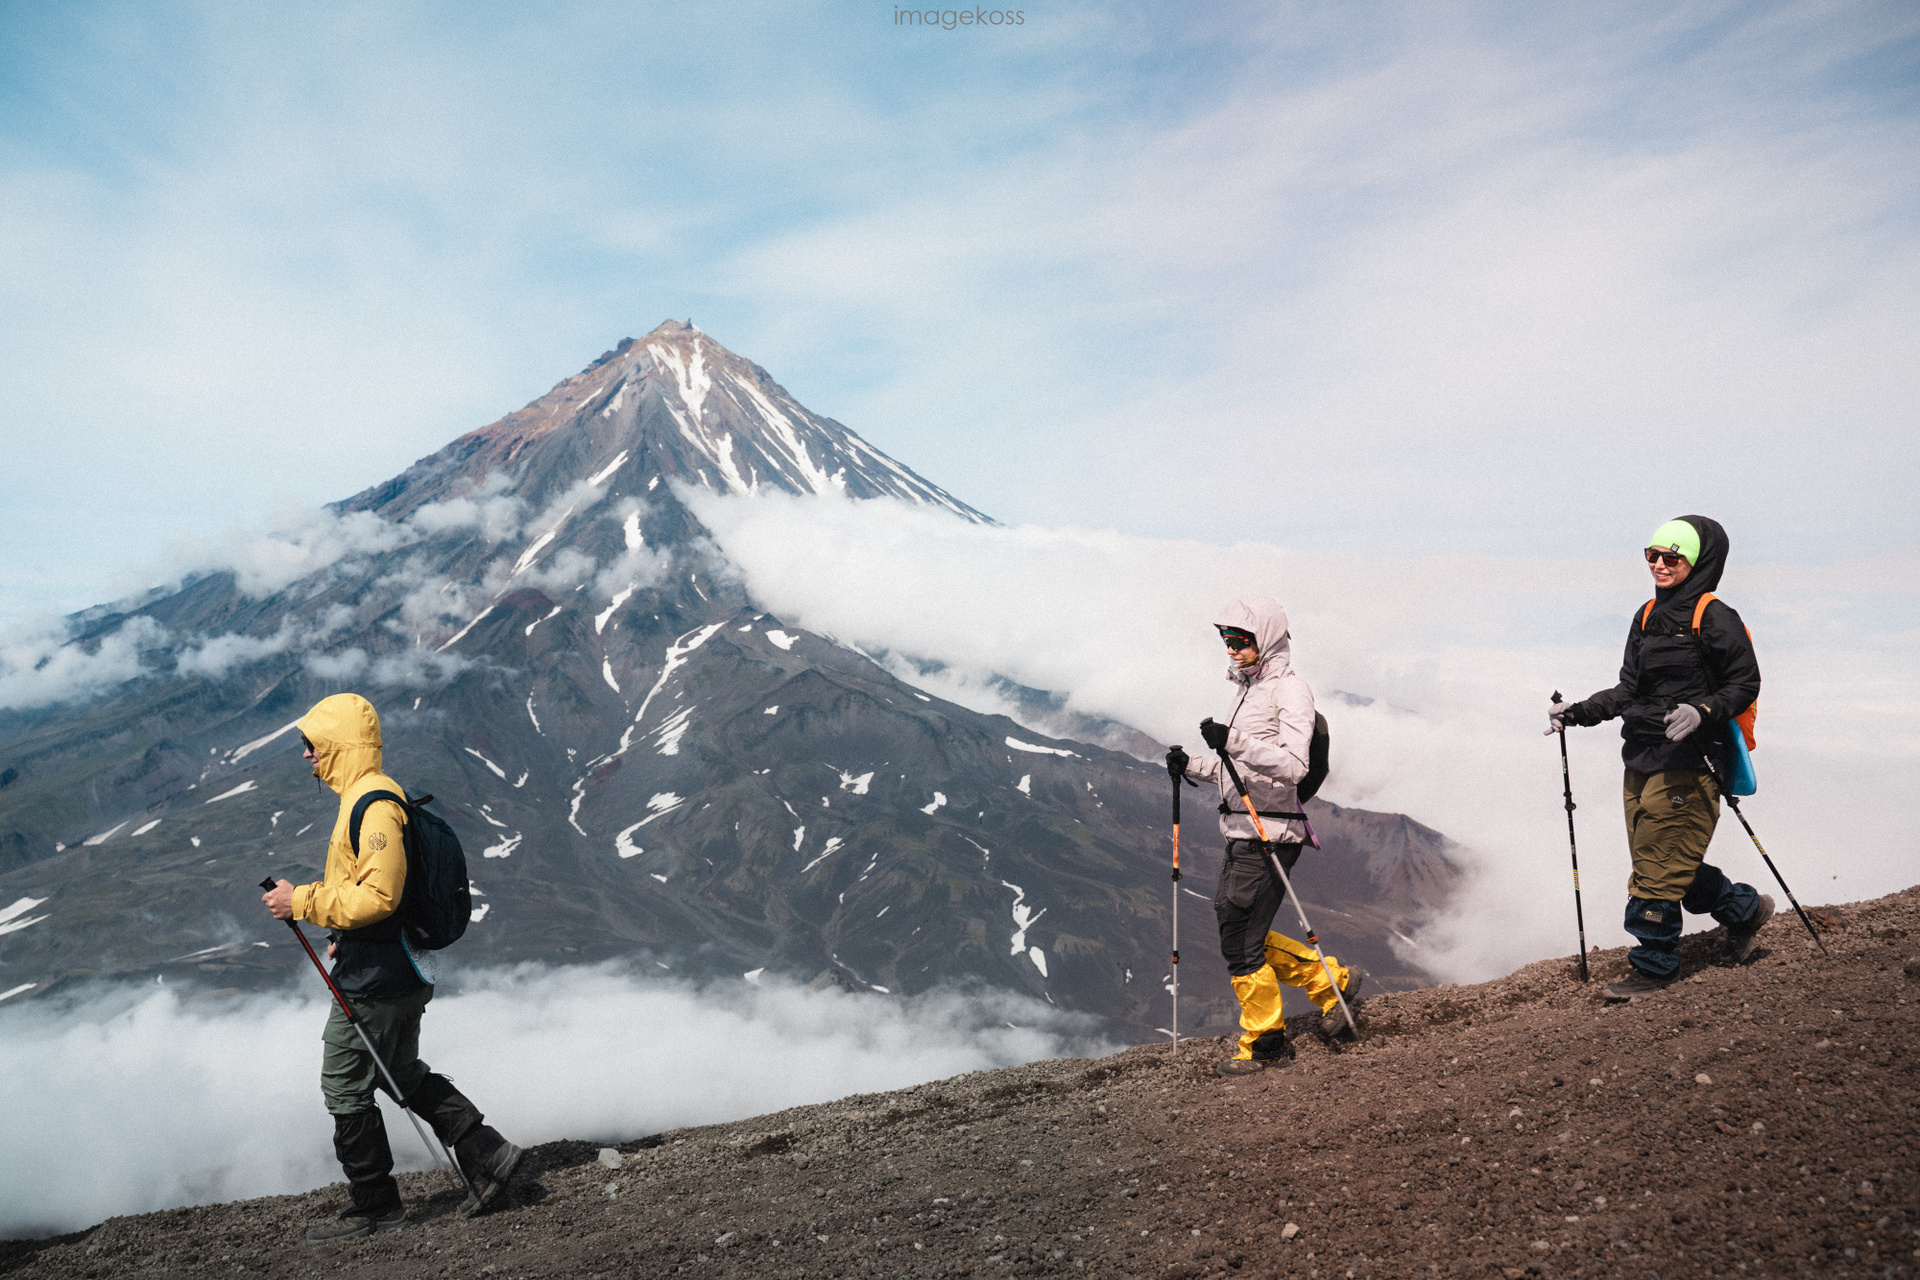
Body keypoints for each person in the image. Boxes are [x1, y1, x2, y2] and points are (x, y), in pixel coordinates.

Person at [261, 692, 522, 1243]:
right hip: (396, 966)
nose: (306, 754)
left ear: (337, 744)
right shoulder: (374, 794)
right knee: (398, 1069)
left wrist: (301, 900)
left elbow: (380, 896)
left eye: (312, 744)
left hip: (376, 980)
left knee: (344, 1084)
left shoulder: (373, 806)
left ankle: (376, 1209)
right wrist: (342, 935)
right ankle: (487, 1152)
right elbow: (366, 889)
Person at [1548, 516, 1774, 1000]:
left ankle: (1654, 967)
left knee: (1655, 872)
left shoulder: (1715, 617)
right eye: (1652, 555)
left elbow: (1744, 683)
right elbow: (1629, 689)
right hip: (1641, 758)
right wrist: (1579, 712)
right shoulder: (1647, 614)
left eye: (1672, 557)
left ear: (1698, 561)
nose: (1659, 565)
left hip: (1693, 761)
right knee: (1667, 862)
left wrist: (1702, 710)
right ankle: (1744, 910)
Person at [1166, 596, 1364, 1077]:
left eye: (1240, 640)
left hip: (1270, 832)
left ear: (1267, 639)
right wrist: (1192, 765)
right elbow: (1240, 770)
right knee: (1239, 929)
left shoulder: (1290, 691)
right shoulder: (1249, 691)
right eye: (1226, 639)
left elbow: (1293, 766)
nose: (1231, 649)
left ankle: (1266, 1043)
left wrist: (1232, 740)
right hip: (1242, 828)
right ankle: (1331, 982)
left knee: (1239, 942)